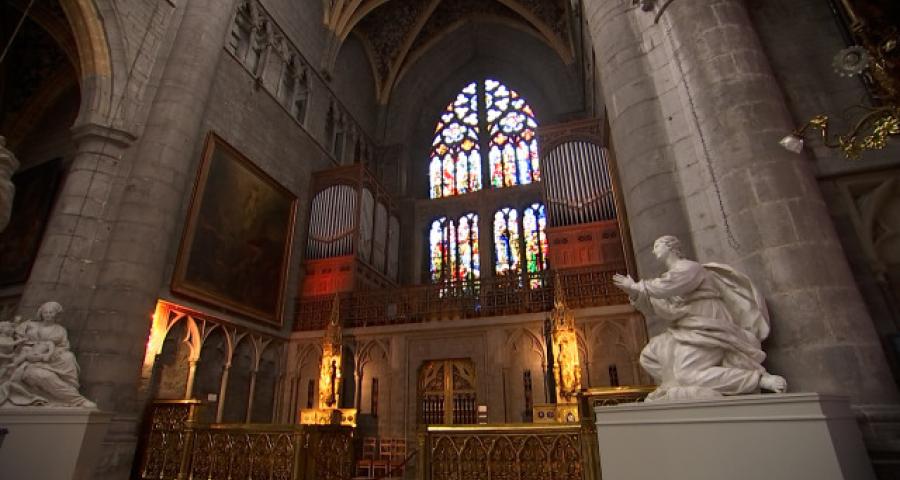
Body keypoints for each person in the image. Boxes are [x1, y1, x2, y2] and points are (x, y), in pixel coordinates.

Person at [612, 236, 787, 401]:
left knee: (687, 373)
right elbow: (665, 308)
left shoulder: (689, 268)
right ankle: (672, 385)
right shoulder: (673, 277)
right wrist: (635, 292)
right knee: (649, 355)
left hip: (706, 321)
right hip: (686, 324)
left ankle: (758, 379)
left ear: (670, 247)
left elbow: (666, 287)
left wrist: (637, 285)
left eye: (657, 245)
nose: (653, 251)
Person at [0, 301, 96, 408]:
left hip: (46, 359)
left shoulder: (60, 330)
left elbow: (63, 347)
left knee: (68, 357)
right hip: (23, 359)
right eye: (46, 312)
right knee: (42, 375)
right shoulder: (28, 324)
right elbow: (11, 337)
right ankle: (77, 400)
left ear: (56, 314)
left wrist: (42, 356)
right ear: (41, 313)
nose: (48, 315)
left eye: (51, 312)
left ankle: (75, 399)